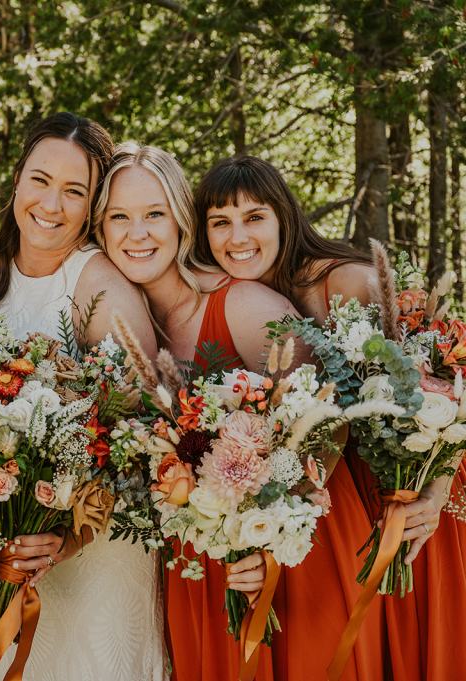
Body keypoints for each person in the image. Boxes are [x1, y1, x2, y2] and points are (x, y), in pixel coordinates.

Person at [0, 112, 164, 681]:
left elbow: (139, 441)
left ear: (93, 205)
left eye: (74, 191)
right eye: (41, 180)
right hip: (2, 545)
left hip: (90, 553)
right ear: (17, 179)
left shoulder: (100, 288)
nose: (51, 204)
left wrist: (66, 539)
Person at [94, 142, 305, 680]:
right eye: (118, 217)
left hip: (279, 566)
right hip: (190, 565)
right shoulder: (122, 326)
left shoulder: (247, 306)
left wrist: (269, 536)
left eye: (154, 214)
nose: (137, 233)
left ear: (182, 220)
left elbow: (322, 429)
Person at [192, 155, 389, 680]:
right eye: (220, 222)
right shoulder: (247, 295)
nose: (238, 237)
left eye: (254, 217)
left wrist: (431, 494)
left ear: (284, 216)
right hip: (324, 501)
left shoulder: (344, 282)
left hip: (402, 499)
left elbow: (444, 377)